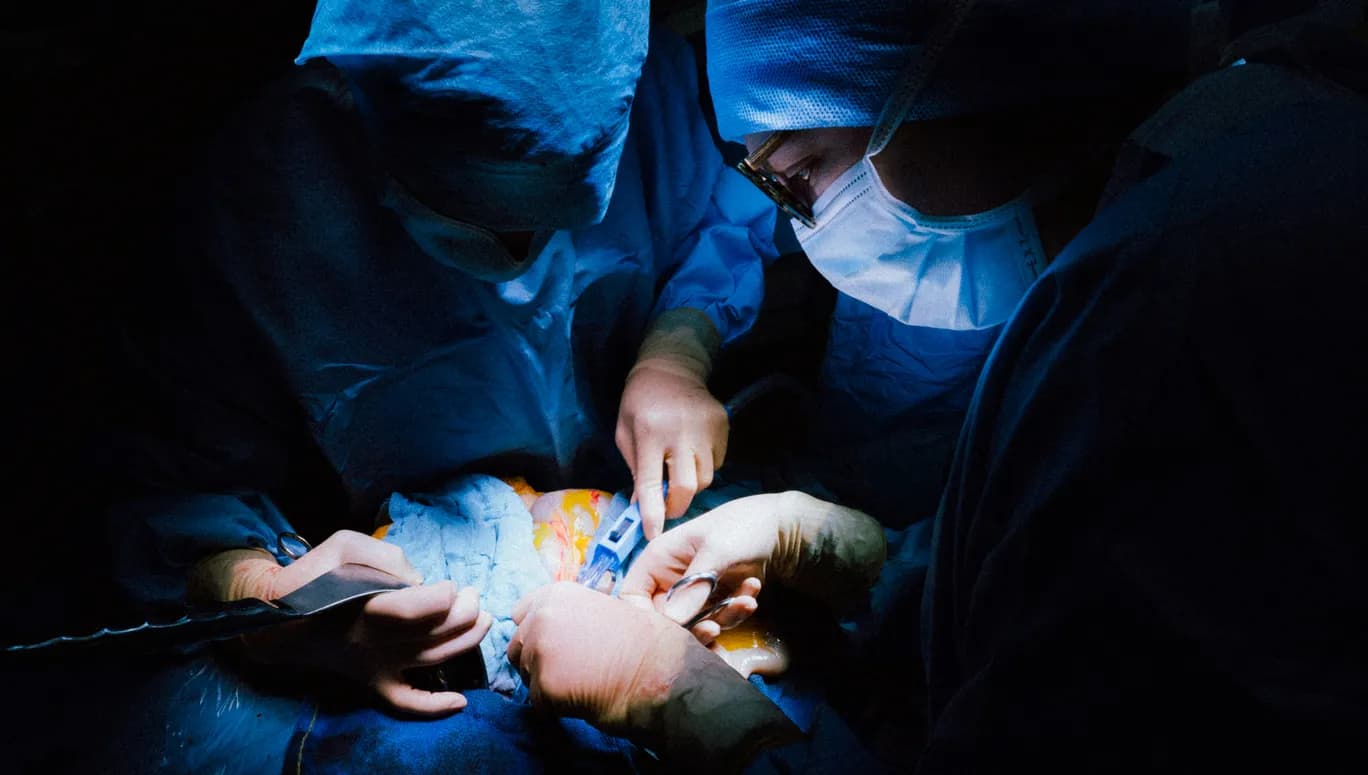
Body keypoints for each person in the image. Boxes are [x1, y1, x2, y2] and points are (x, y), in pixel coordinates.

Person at [509, 0, 1368, 770]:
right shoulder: (1253, 133)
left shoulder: (1171, 314)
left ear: (970, 59)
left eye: (801, 173)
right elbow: (1054, 583)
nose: (805, 227)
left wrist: (663, 689)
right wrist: (850, 556)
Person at [76, 0, 780, 771]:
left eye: (559, 215)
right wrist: (272, 602)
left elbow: (723, 208)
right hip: (378, 591)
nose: (522, 263)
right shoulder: (258, 199)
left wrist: (679, 345)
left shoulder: (635, 89)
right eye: (475, 211)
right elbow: (166, 484)